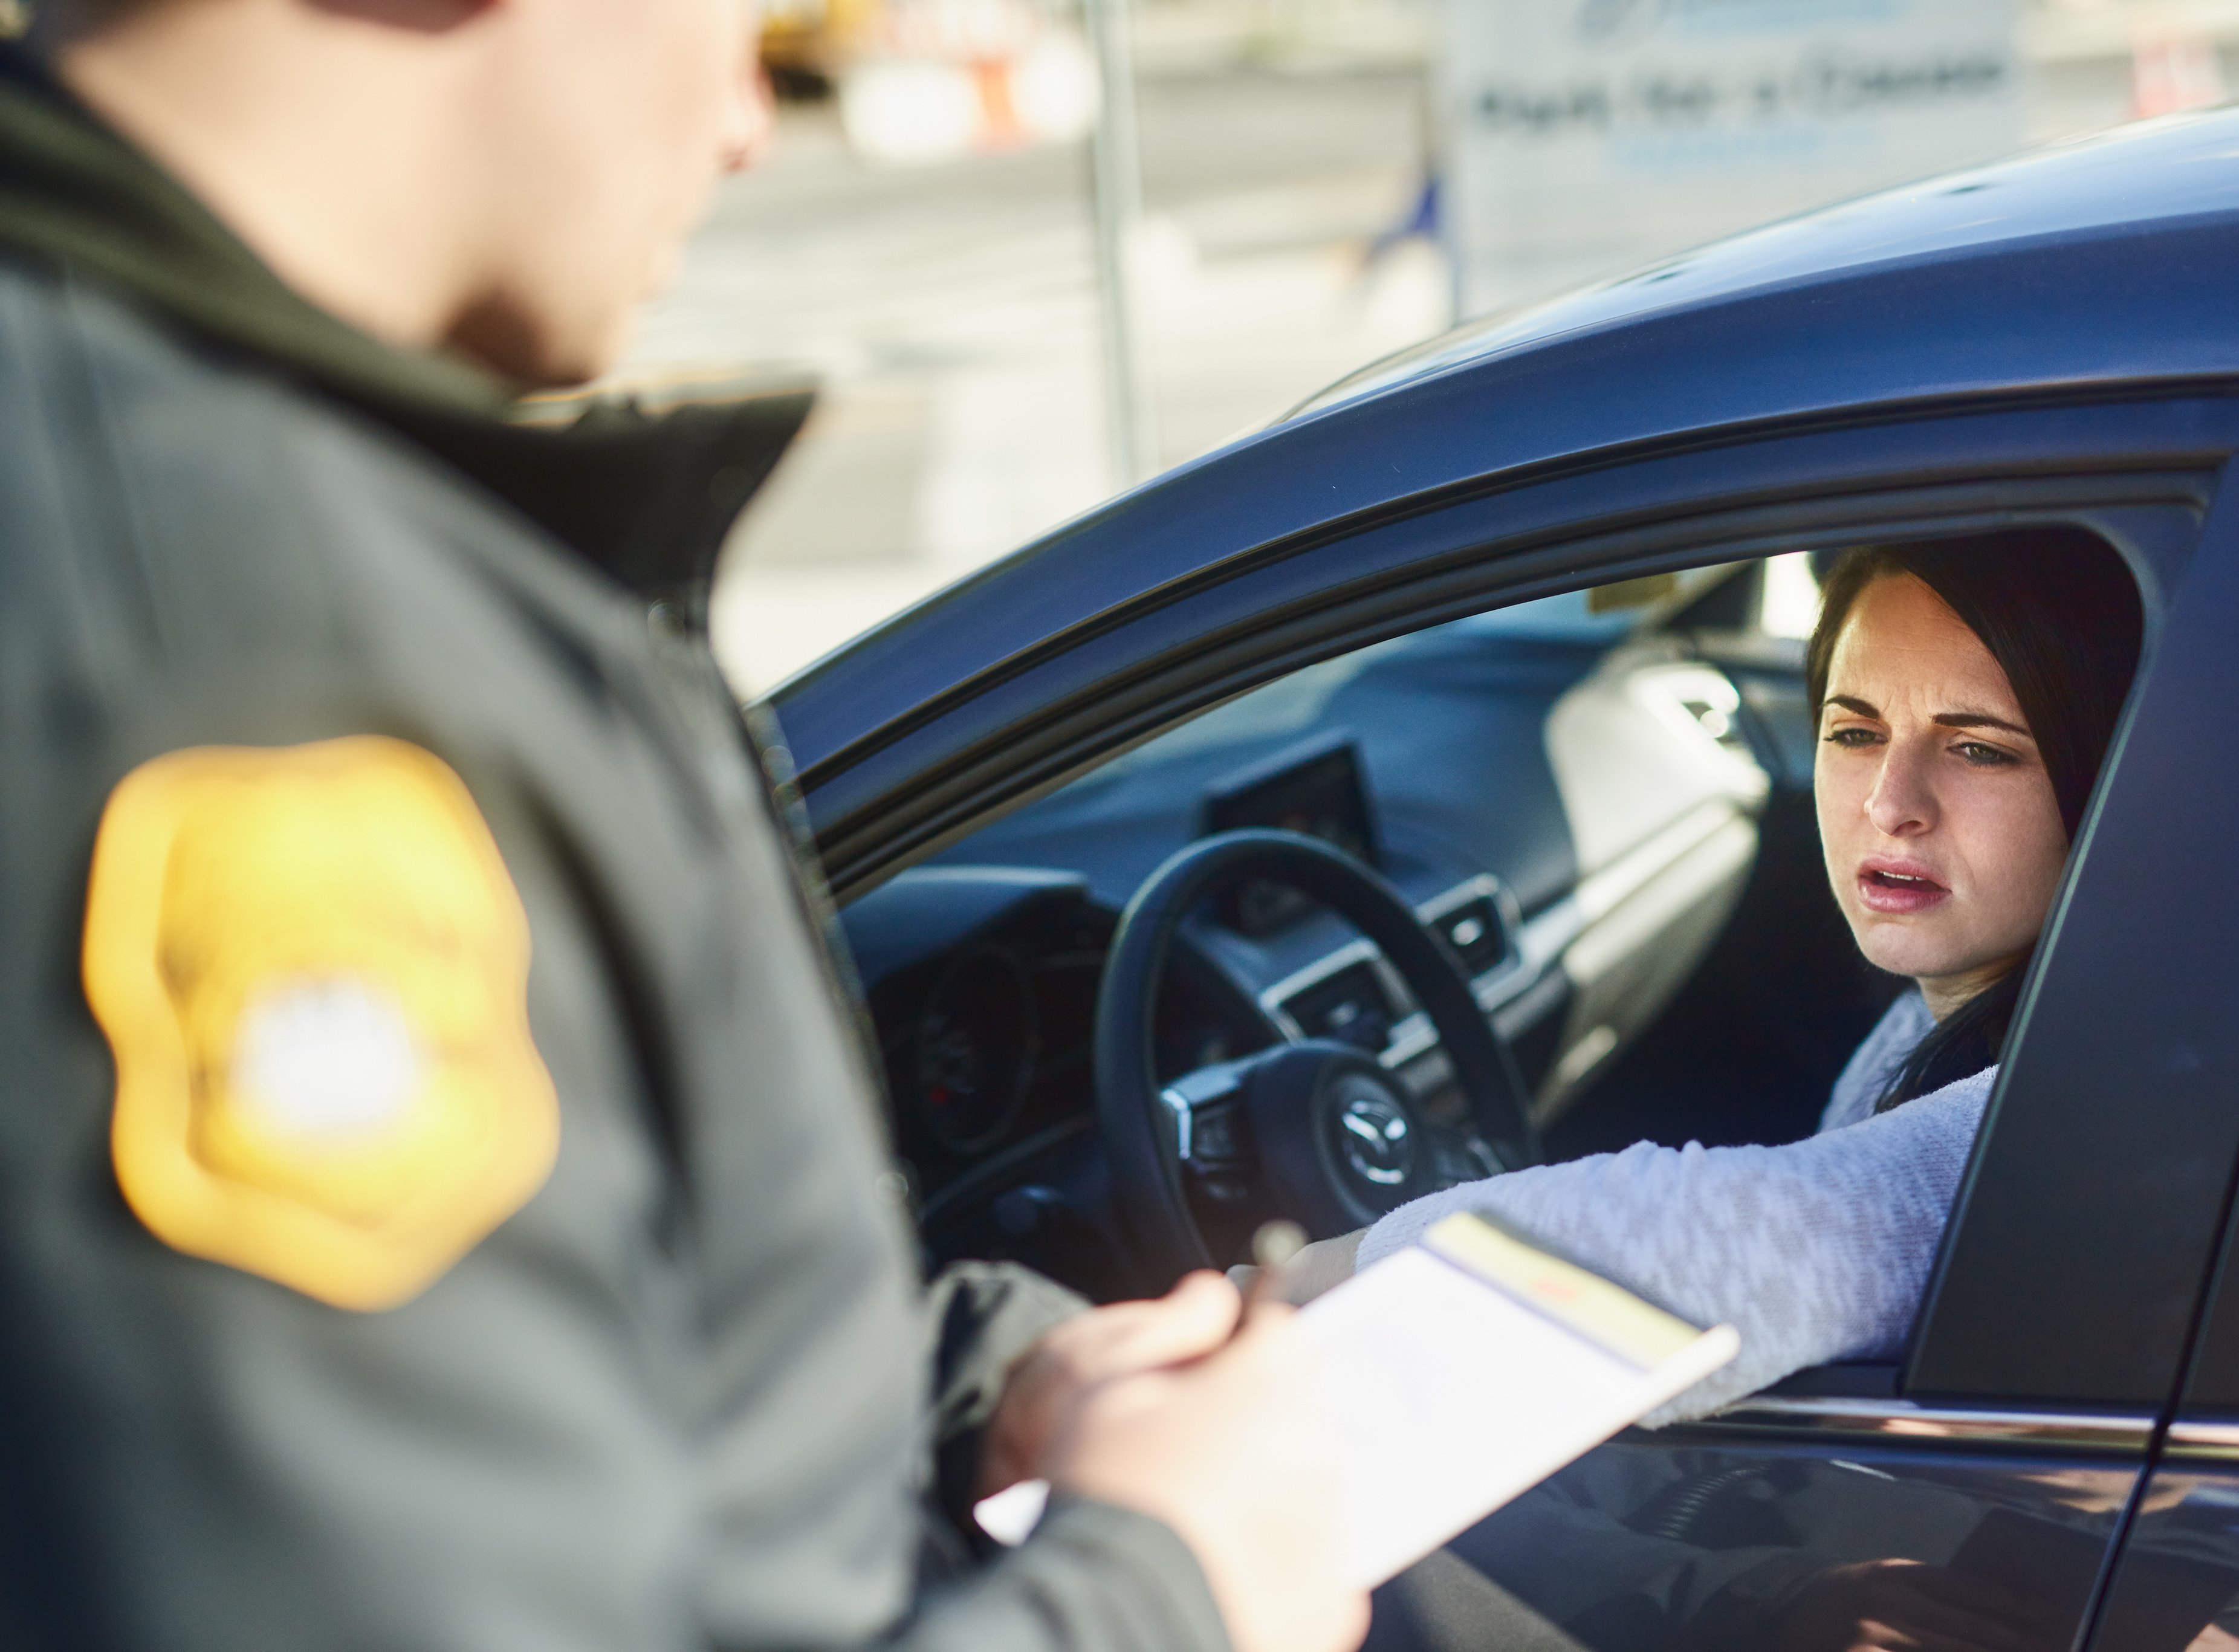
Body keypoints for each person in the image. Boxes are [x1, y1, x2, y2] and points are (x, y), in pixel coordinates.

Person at [0, 5, 1363, 1652]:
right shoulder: (226, 650)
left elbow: (533, 1373)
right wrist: (1167, 1590)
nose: (741, 118)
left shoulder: (262, 505)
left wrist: (966, 1385)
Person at [1281, 533, 2145, 1424]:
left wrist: (1299, 1289)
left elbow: (1775, 1237)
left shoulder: (2101, 1095)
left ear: (2109, 776)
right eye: (1854, 731)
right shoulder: (1937, 1022)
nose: (1890, 802)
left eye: (1980, 751)